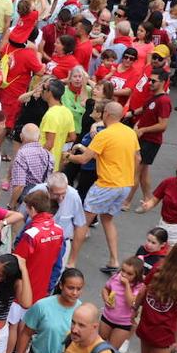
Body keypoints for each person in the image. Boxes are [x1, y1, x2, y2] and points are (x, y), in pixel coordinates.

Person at [68, 101, 140, 273]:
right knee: (107, 219)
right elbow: (137, 158)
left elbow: (84, 159)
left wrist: (69, 157)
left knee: (83, 221)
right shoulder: (130, 133)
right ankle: (114, 260)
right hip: (124, 185)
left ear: (106, 114)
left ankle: (71, 262)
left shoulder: (104, 135)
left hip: (106, 184)